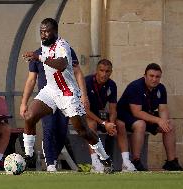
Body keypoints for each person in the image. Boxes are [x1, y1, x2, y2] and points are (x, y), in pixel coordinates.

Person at [22, 18, 114, 173]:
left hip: (67, 93)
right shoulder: (43, 47)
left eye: (47, 32)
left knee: (82, 130)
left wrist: (39, 57)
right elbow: (32, 78)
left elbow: (62, 64)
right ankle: (28, 156)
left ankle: (104, 157)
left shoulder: (63, 45)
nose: (43, 35)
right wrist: (24, 102)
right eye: (41, 32)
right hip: (50, 90)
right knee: (30, 116)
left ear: (55, 32)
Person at [20, 47, 88, 172]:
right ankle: (50, 164)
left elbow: (77, 72)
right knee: (49, 128)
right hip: (47, 99)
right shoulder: (37, 54)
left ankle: (54, 159)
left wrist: (83, 95)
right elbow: (31, 79)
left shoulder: (66, 50)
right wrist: (24, 103)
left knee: (62, 131)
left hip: (65, 97)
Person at [116, 63, 183, 171]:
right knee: (140, 124)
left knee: (170, 124)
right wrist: (158, 120)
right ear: (145, 76)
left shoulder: (161, 88)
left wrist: (163, 122)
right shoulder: (136, 87)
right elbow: (137, 113)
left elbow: (163, 109)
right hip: (126, 115)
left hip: (146, 114)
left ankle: (171, 162)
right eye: (151, 76)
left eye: (157, 77)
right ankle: (136, 161)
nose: (154, 79)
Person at [84, 59, 136, 172]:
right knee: (91, 124)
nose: (104, 74)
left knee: (120, 125)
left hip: (101, 115)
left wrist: (111, 124)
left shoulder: (112, 85)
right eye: (101, 70)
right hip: (85, 115)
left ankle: (126, 162)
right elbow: (85, 110)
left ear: (111, 72)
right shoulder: (86, 82)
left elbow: (113, 109)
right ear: (96, 71)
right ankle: (95, 163)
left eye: (107, 71)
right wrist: (104, 123)